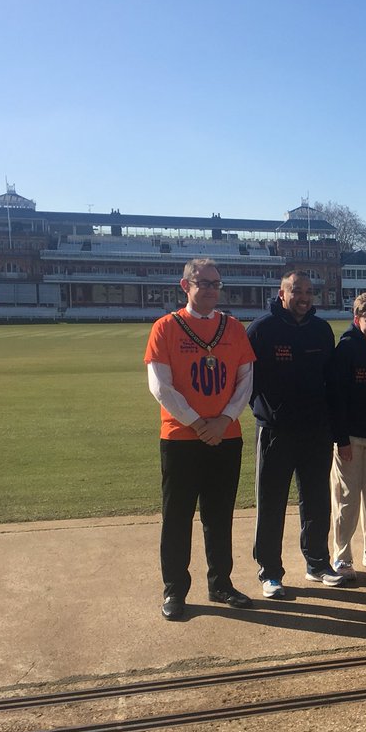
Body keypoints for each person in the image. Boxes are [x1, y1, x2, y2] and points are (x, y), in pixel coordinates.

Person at [144, 258, 256, 621]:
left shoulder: (234, 328)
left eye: (216, 284)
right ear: (185, 285)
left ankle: (220, 583)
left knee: (219, 514)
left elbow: (245, 380)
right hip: (180, 436)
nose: (210, 289)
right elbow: (160, 386)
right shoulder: (166, 327)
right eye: (203, 283)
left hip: (226, 434)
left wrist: (223, 420)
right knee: (177, 517)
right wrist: (198, 423)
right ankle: (175, 590)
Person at [246, 269, 343, 599]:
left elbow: (330, 382)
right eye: (296, 291)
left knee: (316, 501)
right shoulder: (262, 329)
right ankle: (270, 572)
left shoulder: (320, 330)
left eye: (308, 292)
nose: (303, 297)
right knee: (271, 502)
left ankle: (317, 563)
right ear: (282, 292)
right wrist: (267, 414)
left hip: (316, 431)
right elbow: (248, 383)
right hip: (276, 431)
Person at [329, 290, 366, 580]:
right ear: (357, 319)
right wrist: (341, 439)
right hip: (350, 438)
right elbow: (336, 397)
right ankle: (341, 556)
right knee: (348, 499)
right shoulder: (346, 349)